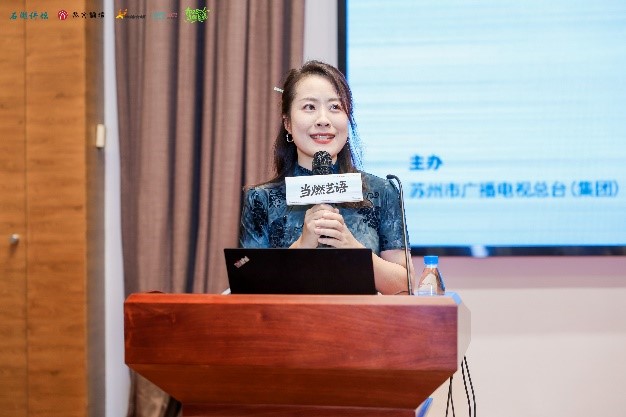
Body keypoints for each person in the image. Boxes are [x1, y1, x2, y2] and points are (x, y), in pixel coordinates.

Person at [239, 60, 414, 295]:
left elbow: (405, 285)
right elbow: (250, 289)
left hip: (362, 318)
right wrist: (302, 246)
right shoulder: (261, 199)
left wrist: (352, 248)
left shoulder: (381, 191)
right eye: (309, 107)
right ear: (287, 123)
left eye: (335, 107)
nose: (323, 120)